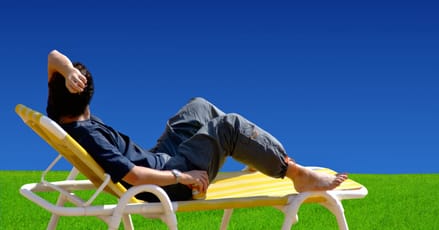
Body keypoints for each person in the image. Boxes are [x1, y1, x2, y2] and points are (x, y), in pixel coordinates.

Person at [46, 49, 347, 201]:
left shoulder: (61, 114)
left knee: (199, 105)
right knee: (228, 125)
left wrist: (68, 69)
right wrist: (184, 176)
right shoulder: (88, 135)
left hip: (162, 158)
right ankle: (294, 173)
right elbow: (135, 177)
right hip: (167, 182)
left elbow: (52, 56)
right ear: (90, 93)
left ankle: (252, 151)